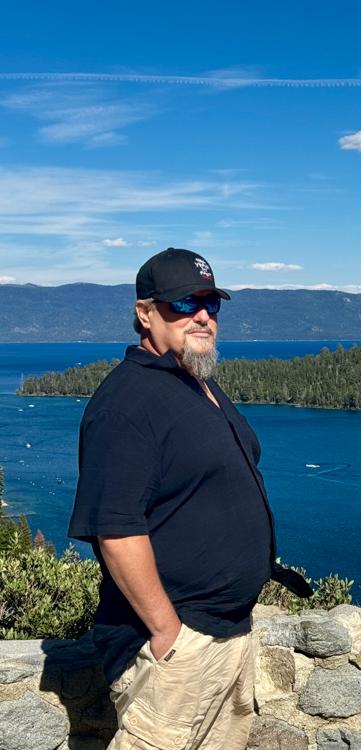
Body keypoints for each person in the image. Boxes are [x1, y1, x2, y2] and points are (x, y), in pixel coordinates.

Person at [68, 248, 310, 750]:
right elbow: (116, 529)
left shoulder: (196, 383)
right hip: (179, 648)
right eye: (183, 304)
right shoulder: (127, 403)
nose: (201, 315)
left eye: (210, 304)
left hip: (226, 634)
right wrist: (168, 633)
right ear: (145, 313)